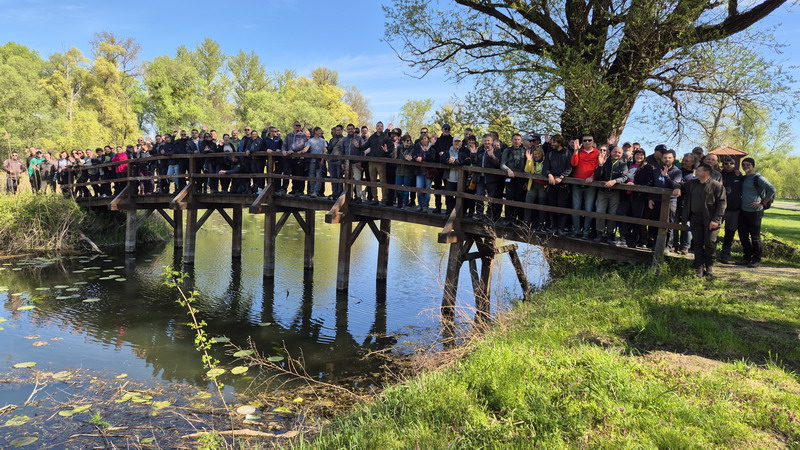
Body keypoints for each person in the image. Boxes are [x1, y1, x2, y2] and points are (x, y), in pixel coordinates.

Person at [682, 163, 726, 278]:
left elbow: (722, 203)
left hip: (710, 219)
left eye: (699, 170)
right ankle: (699, 269)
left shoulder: (716, 186)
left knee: (709, 243)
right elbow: (680, 185)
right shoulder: (692, 184)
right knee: (697, 243)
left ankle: (709, 267)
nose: (696, 172)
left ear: (707, 172)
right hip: (695, 218)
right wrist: (669, 180)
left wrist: (716, 219)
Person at [736, 157, 776, 268]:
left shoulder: (758, 178)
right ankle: (747, 257)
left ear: (753, 166)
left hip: (755, 212)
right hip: (743, 211)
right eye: (743, 165)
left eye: (748, 165)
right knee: (743, 236)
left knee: (755, 237)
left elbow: (772, 189)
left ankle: (756, 259)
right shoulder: (744, 178)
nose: (745, 167)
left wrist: (762, 203)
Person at [647, 149, 682, 251]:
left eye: (669, 158)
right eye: (665, 157)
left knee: (669, 223)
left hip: (670, 201)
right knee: (654, 222)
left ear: (673, 159)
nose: (667, 159)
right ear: (662, 159)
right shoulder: (656, 171)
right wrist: (650, 198)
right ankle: (654, 244)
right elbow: (651, 185)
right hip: (656, 200)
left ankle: (668, 245)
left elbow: (675, 185)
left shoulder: (677, 172)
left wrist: (666, 176)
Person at [593, 146, 629, 244]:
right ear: (611, 152)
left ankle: (610, 234)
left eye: (619, 153)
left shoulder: (623, 164)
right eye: (615, 152)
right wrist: (600, 165)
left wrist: (615, 181)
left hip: (615, 192)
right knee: (599, 212)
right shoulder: (605, 161)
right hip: (602, 191)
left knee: (612, 214)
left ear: (622, 154)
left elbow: (625, 177)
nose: (616, 154)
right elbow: (597, 175)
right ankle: (599, 234)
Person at [569, 134, 600, 239]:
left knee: (588, 210)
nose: (587, 142)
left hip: (591, 184)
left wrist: (592, 177)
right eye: (585, 140)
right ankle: (576, 230)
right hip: (577, 183)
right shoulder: (579, 151)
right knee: (575, 209)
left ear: (593, 141)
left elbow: (598, 167)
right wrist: (575, 151)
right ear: (582, 142)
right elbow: (574, 163)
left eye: (589, 140)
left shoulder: (597, 153)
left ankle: (586, 232)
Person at [617, 148, 649, 247]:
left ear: (644, 156)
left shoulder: (647, 167)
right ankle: (624, 237)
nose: (639, 157)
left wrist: (635, 185)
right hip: (626, 195)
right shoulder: (628, 165)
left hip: (638, 196)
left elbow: (649, 182)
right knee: (621, 213)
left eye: (641, 155)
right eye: (637, 154)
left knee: (636, 218)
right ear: (634, 155)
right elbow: (623, 176)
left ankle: (633, 240)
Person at [542, 135, 572, 234]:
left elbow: (569, 168)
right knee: (552, 205)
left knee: (562, 206)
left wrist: (561, 177)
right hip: (552, 184)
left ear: (559, 142)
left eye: (554, 142)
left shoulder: (568, 153)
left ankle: (561, 228)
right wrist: (549, 175)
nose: (552, 144)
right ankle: (553, 227)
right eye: (552, 142)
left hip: (564, 185)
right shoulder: (550, 154)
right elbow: (545, 167)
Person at [719, 157, 743, 264]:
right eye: (726, 163)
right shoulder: (719, 175)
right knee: (713, 231)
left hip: (734, 210)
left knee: (729, 233)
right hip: (719, 209)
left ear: (734, 165)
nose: (728, 165)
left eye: (731, 163)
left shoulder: (739, 176)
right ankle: (710, 253)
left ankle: (725, 255)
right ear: (723, 165)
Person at [475, 134, 503, 220]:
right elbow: (475, 162)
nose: (487, 142)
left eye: (488, 141)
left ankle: (489, 215)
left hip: (491, 179)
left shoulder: (497, 150)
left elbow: (498, 164)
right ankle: (479, 213)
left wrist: (492, 156)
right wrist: (473, 154)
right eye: (485, 141)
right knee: (479, 195)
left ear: (492, 141)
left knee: (491, 197)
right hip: (480, 177)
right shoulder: (480, 150)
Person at [500, 133, 527, 225]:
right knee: (509, 197)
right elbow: (502, 164)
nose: (516, 141)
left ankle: (518, 219)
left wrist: (527, 181)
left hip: (521, 179)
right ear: (512, 140)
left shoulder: (525, 151)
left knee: (519, 198)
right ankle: (508, 218)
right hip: (510, 178)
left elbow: (528, 166)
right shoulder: (507, 151)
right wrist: (508, 170)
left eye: (518, 139)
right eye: (515, 139)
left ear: (521, 141)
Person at [363, 121, 392, 205]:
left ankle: (384, 199)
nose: (379, 127)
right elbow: (365, 146)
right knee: (373, 181)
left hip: (381, 162)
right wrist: (359, 146)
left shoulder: (386, 137)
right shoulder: (372, 137)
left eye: (381, 126)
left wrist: (387, 150)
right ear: (376, 127)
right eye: (378, 126)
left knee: (383, 181)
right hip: (372, 162)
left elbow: (391, 148)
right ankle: (375, 198)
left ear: (383, 128)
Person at [523, 143, 547, 229]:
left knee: (541, 204)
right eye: (535, 154)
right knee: (528, 202)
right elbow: (527, 170)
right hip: (533, 184)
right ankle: (526, 222)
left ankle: (541, 223)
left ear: (542, 154)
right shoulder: (532, 161)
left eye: (538, 154)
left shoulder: (545, 161)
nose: (537, 156)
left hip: (543, 185)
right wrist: (529, 160)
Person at [281, 121, 309, 196]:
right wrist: (284, 150)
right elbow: (284, 144)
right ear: (293, 126)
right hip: (288, 157)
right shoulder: (289, 135)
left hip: (298, 157)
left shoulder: (303, 136)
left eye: (299, 125)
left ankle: (298, 190)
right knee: (286, 173)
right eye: (296, 125)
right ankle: (285, 189)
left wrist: (293, 150)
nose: (298, 127)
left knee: (298, 174)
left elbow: (301, 145)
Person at [442, 135, 467, 215]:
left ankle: (458, 212)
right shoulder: (448, 150)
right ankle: (450, 210)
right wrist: (448, 160)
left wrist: (456, 161)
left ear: (461, 143)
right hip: (450, 176)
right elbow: (441, 159)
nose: (457, 143)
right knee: (449, 194)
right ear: (453, 142)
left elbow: (467, 161)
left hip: (460, 177)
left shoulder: (465, 150)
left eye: (458, 142)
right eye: (455, 141)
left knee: (459, 195)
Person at [341, 124, 366, 202]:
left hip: (356, 163)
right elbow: (342, 152)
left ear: (354, 130)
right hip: (347, 163)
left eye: (352, 129)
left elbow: (363, 151)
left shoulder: (359, 139)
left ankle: (358, 196)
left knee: (357, 180)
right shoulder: (344, 140)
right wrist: (342, 162)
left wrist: (360, 162)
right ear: (347, 130)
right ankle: (350, 196)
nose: (350, 130)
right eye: (349, 129)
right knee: (348, 180)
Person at [412, 134, 437, 212]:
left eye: (425, 139)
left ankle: (425, 205)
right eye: (422, 139)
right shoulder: (417, 148)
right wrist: (416, 158)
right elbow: (413, 155)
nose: (424, 140)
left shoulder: (432, 148)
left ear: (428, 139)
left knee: (427, 190)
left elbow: (433, 159)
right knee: (419, 189)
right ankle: (420, 205)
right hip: (419, 171)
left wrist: (427, 152)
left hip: (429, 172)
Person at [303, 127, 328, 197]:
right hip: (312, 160)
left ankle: (316, 191)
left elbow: (325, 151)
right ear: (316, 132)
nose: (321, 132)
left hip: (319, 160)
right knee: (312, 176)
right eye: (319, 131)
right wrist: (301, 152)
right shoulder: (310, 141)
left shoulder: (323, 141)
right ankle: (312, 191)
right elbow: (306, 148)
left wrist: (323, 160)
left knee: (318, 176)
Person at [393, 133, 416, 209]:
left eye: (409, 141)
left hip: (407, 171)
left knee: (406, 189)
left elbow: (409, 157)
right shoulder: (399, 148)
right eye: (406, 140)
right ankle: (400, 202)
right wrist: (395, 148)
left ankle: (404, 203)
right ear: (403, 141)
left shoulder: (412, 148)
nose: (408, 142)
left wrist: (406, 157)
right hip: (399, 170)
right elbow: (395, 157)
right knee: (398, 188)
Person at [327, 125, 345, 199]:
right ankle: (334, 193)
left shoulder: (344, 139)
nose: (337, 132)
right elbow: (329, 149)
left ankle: (339, 193)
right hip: (331, 160)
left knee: (339, 177)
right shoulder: (332, 140)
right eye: (336, 130)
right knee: (333, 178)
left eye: (339, 130)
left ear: (342, 130)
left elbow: (344, 151)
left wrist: (343, 162)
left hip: (339, 161)